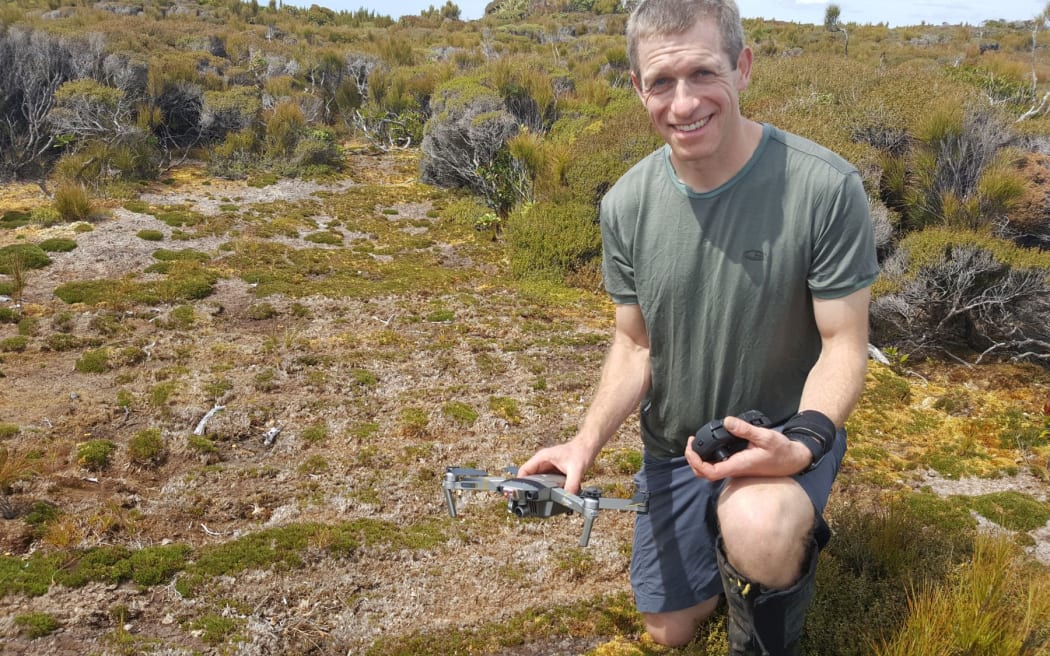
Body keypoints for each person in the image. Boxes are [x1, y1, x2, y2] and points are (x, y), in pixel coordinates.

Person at [516, 0, 880, 653]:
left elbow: (844, 344)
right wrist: (584, 443)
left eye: (703, 74)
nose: (683, 104)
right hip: (675, 449)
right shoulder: (627, 204)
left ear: (742, 69)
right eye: (661, 82)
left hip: (779, 433)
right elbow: (634, 345)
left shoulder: (824, 187)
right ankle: (728, 543)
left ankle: (764, 616)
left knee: (762, 521)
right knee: (669, 632)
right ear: (638, 89)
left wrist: (804, 440)